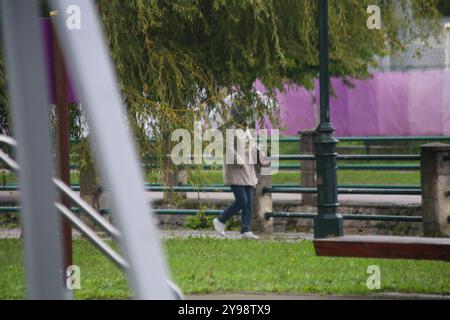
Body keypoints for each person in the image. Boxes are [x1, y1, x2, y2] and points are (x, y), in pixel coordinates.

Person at [213, 105, 267, 240]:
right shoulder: (229, 130)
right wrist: (240, 162)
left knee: (248, 202)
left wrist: (259, 152)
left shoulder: (246, 129)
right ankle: (220, 220)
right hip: (236, 169)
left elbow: (251, 145)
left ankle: (245, 230)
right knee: (241, 200)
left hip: (247, 169)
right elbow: (229, 150)